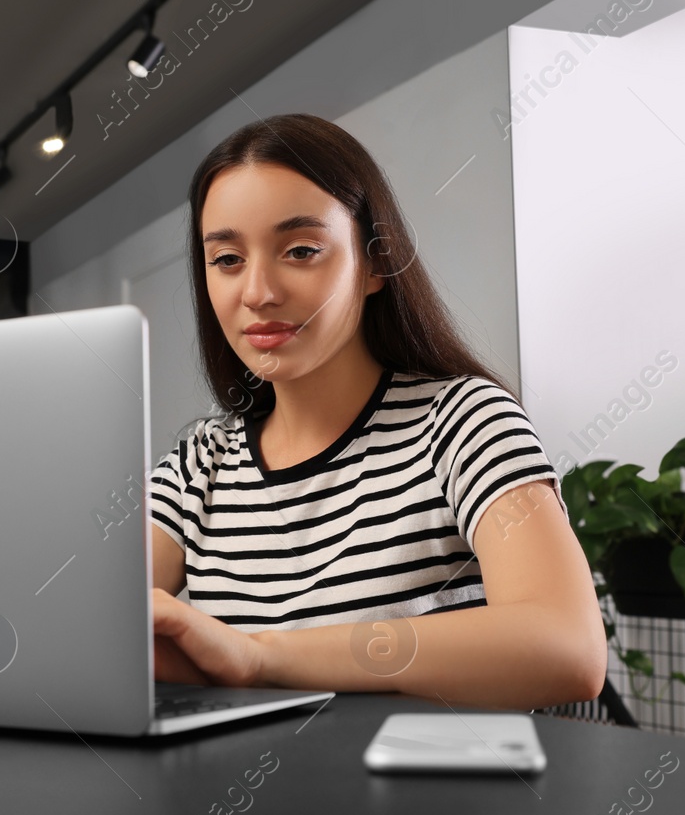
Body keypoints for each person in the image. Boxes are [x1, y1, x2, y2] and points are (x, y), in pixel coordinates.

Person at [147, 114, 605, 711]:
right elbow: (84, 634)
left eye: (301, 250)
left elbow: (566, 648)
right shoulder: (198, 464)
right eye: (227, 259)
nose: (257, 291)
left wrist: (258, 658)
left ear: (375, 264)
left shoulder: (462, 422)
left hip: (420, 799)